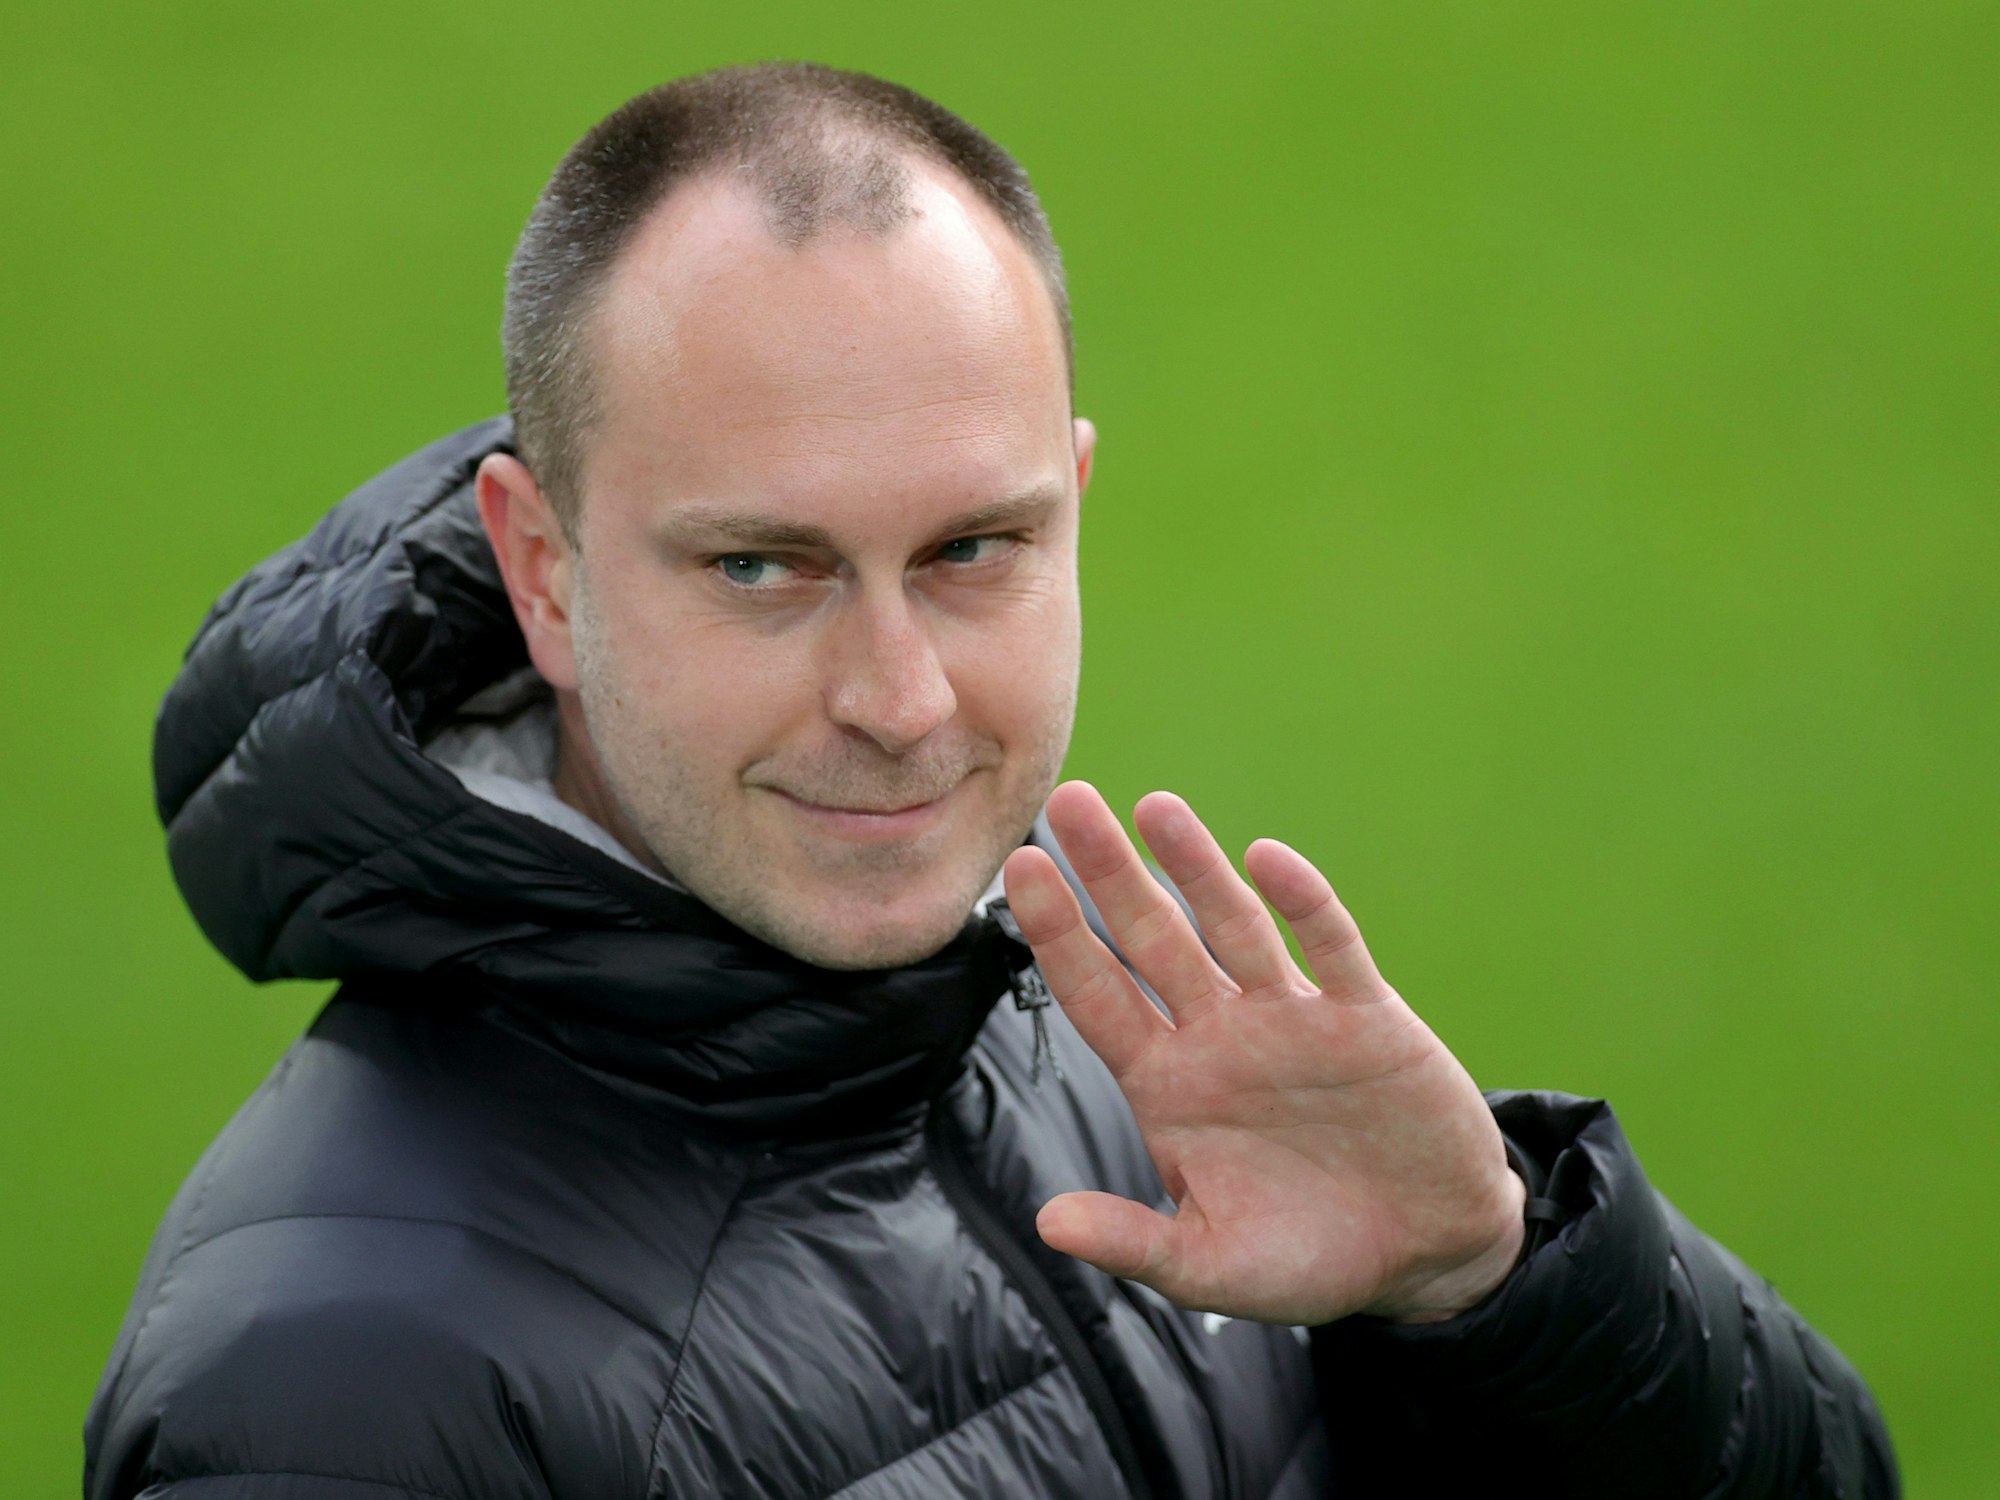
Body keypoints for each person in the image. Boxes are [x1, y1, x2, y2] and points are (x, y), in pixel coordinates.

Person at [85, 62, 1897, 1499]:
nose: (901, 700)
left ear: (1074, 506)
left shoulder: (1125, 1028)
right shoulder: (337, 1395)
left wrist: (1491, 1290)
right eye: (760, 567)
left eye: (973, 550)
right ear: (544, 573)